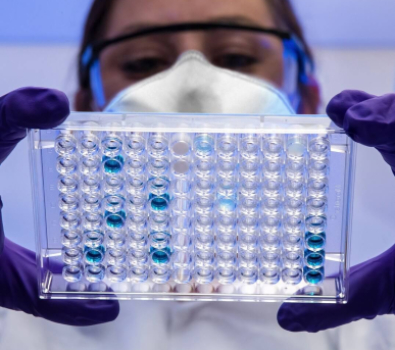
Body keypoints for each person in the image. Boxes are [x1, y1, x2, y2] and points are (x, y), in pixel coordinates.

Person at [1, 0, 395, 345]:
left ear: (307, 101)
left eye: (237, 57)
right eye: (144, 63)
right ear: (87, 108)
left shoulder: (375, 335)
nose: (192, 86)